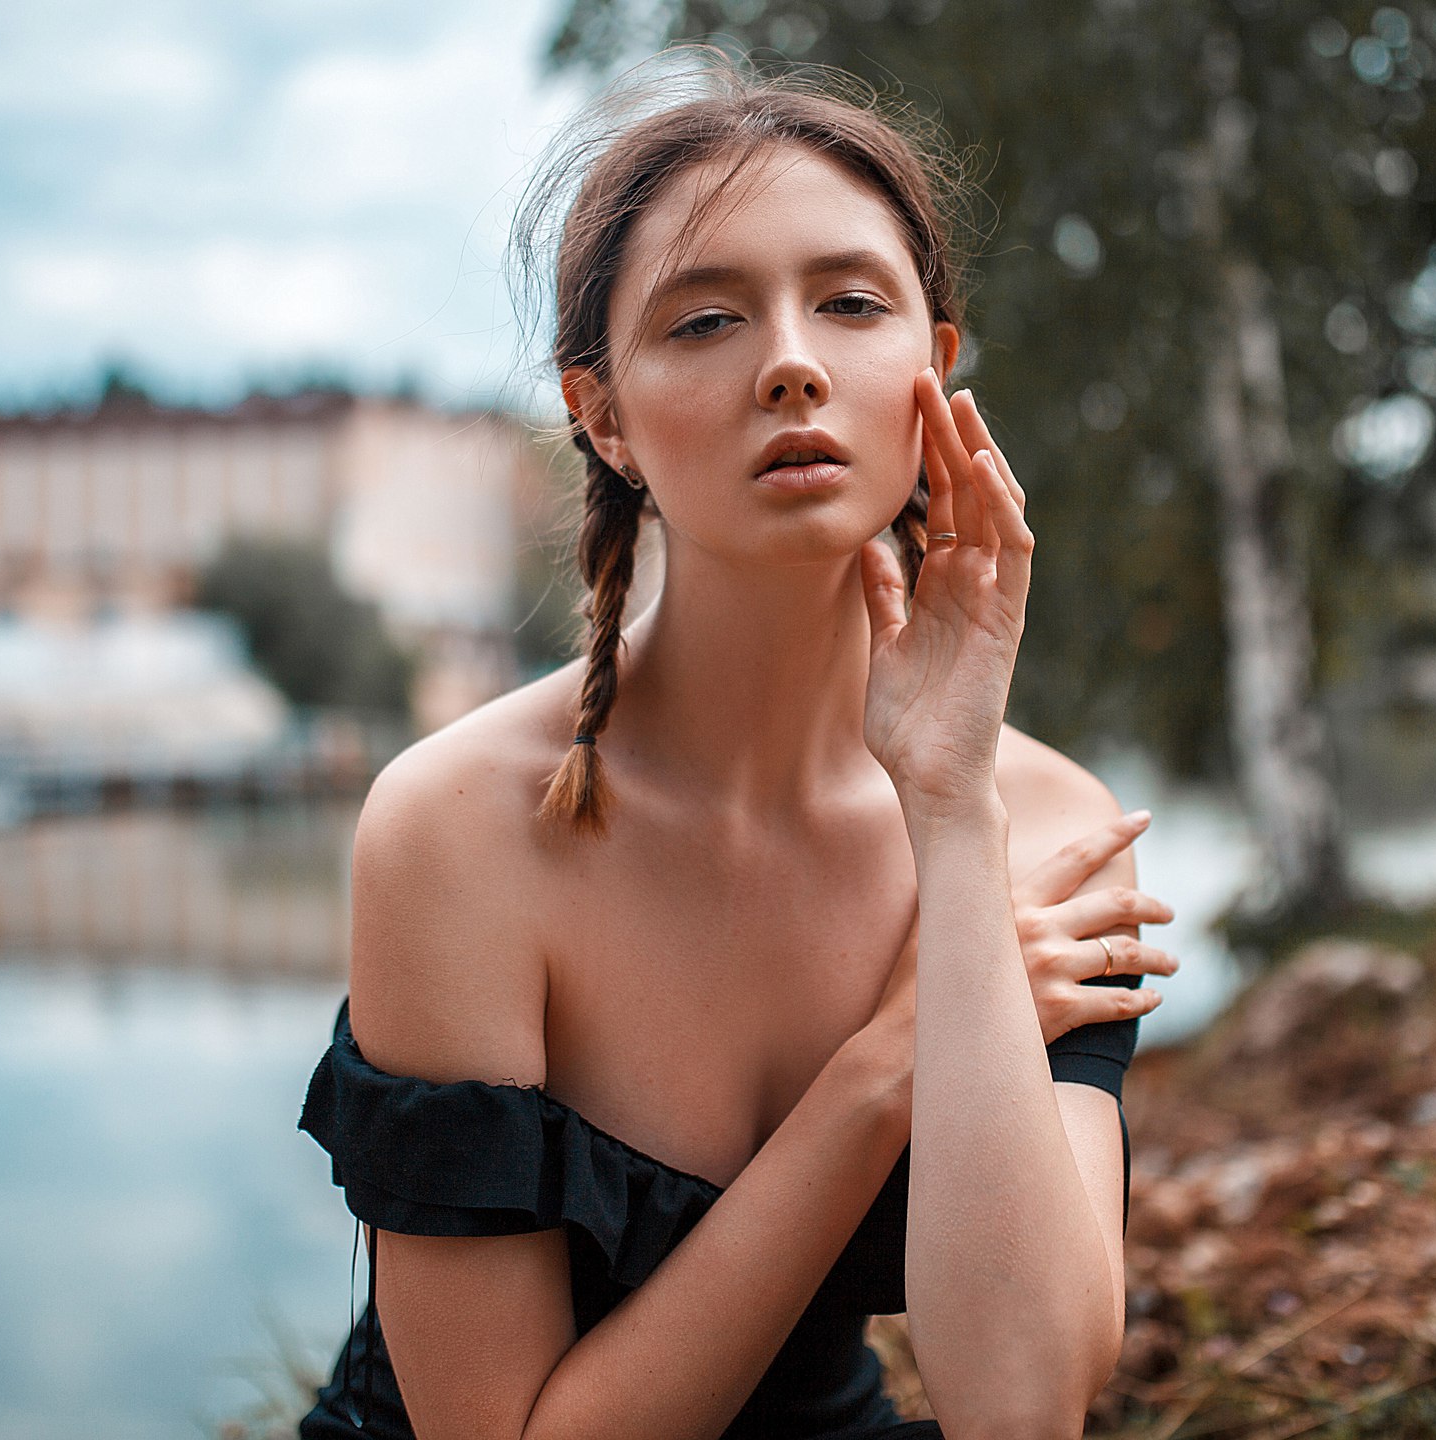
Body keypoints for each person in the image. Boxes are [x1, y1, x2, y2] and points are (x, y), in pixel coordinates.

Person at [297, 56, 1177, 1440]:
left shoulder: (1046, 828)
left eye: (850, 303)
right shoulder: (457, 828)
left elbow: (1020, 1406)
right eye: (704, 321)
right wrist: (879, 1076)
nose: (790, 362)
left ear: (935, 371)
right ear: (602, 417)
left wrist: (951, 813)